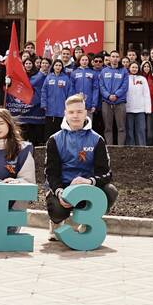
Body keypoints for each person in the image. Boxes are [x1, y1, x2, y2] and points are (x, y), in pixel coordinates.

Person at [44, 94, 116, 234]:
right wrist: (59, 192)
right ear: (65, 113)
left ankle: (87, 221)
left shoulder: (97, 140)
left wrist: (89, 181)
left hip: (88, 190)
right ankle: (56, 222)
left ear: (85, 113)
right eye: (71, 112)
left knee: (110, 190)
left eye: (79, 111)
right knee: (57, 209)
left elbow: (107, 174)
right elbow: (50, 174)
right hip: (63, 190)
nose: (75, 116)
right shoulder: (54, 140)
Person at [96, 54, 129, 145]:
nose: (115, 59)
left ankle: (120, 148)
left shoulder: (124, 71)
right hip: (106, 102)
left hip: (120, 102)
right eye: (113, 57)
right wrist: (108, 95)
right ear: (110, 58)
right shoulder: (104, 71)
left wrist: (116, 95)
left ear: (119, 59)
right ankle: (109, 147)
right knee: (107, 127)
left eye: (117, 57)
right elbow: (101, 86)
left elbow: (125, 86)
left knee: (121, 127)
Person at [125, 61, 152, 148]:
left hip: (140, 109)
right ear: (129, 68)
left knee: (141, 130)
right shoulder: (125, 78)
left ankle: (142, 147)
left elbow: (146, 94)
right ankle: (130, 147)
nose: (134, 69)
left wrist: (148, 109)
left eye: (136, 67)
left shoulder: (142, 79)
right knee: (129, 130)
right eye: (132, 67)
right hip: (128, 109)